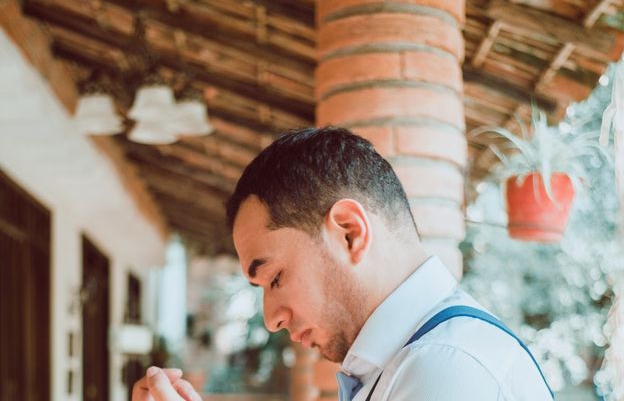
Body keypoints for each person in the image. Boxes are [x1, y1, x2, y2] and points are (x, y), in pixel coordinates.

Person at [133, 127, 554, 401]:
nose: (271, 320)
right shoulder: (405, 361)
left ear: (350, 232)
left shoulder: (445, 367)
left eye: (275, 277)